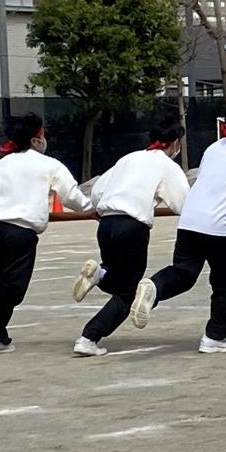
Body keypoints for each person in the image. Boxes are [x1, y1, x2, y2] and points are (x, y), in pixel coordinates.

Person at [131, 98, 226, 354]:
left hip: (189, 221)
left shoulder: (213, 148)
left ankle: (155, 287)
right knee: (223, 286)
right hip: (220, 228)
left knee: (184, 273)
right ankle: (216, 336)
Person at [0, 113, 93, 356]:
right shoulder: (48, 164)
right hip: (21, 232)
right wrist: (92, 209)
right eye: (43, 134)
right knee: (13, 292)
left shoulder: (0, 165)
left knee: (0, 284)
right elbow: (71, 196)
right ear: (35, 139)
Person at [70, 109, 190, 358]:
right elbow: (182, 205)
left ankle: (99, 274)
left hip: (106, 224)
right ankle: (89, 337)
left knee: (117, 277)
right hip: (132, 227)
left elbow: (97, 192)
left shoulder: (128, 158)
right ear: (176, 143)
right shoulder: (167, 166)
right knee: (129, 292)